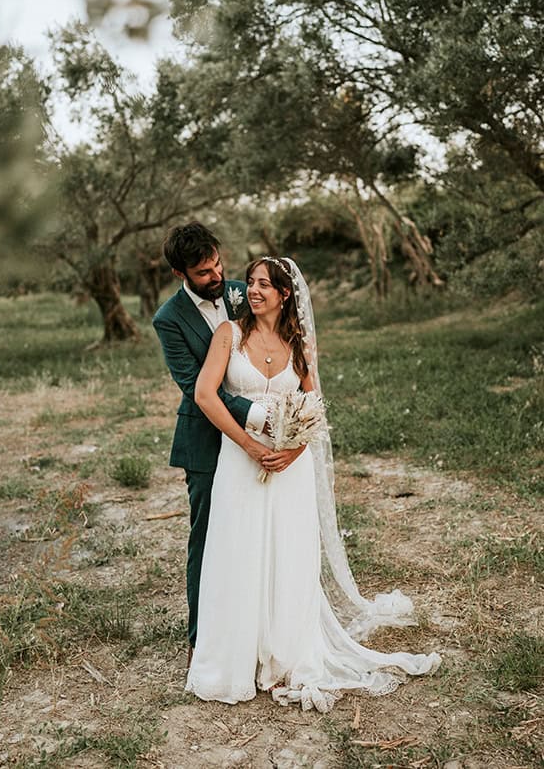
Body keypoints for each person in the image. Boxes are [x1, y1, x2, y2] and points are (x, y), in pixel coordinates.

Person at [186, 256, 441, 712]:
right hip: (240, 459)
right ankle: (235, 658)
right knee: (237, 550)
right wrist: (248, 445)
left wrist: (294, 450)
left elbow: (313, 406)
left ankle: (286, 649)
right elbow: (205, 394)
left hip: (289, 466)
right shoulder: (229, 335)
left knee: (288, 552)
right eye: (253, 283)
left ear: (285, 295)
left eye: (266, 284)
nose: (255, 290)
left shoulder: (297, 344)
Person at [152, 225, 301, 659]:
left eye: (217, 263)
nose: (216, 275)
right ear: (181, 272)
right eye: (203, 271)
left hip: (267, 436)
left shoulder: (245, 292)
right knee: (208, 533)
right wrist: (254, 415)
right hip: (204, 438)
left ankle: (261, 624)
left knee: (258, 530)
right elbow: (194, 387)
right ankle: (203, 633)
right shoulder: (169, 319)